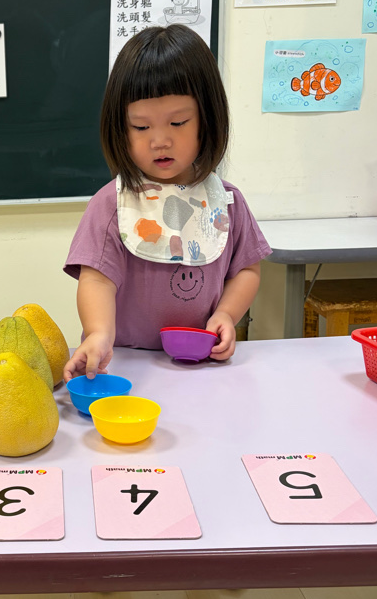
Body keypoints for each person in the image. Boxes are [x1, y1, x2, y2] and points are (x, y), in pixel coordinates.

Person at [63, 24, 272, 381]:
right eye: (141, 127)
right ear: (120, 128)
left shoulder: (226, 202)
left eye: (178, 122)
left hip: (202, 366)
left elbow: (246, 270)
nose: (160, 140)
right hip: (125, 363)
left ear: (207, 120)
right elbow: (97, 280)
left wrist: (226, 314)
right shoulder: (112, 204)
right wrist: (99, 333)